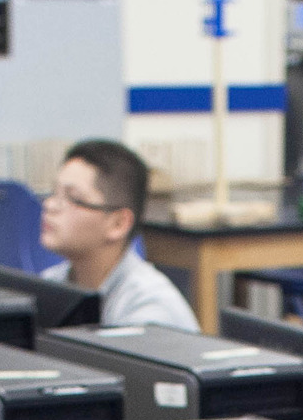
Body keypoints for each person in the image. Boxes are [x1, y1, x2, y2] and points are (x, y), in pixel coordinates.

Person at [37, 137, 199, 330]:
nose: (50, 205)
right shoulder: (50, 283)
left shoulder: (150, 312)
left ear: (118, 223)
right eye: (54, 193)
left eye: (73, 198)